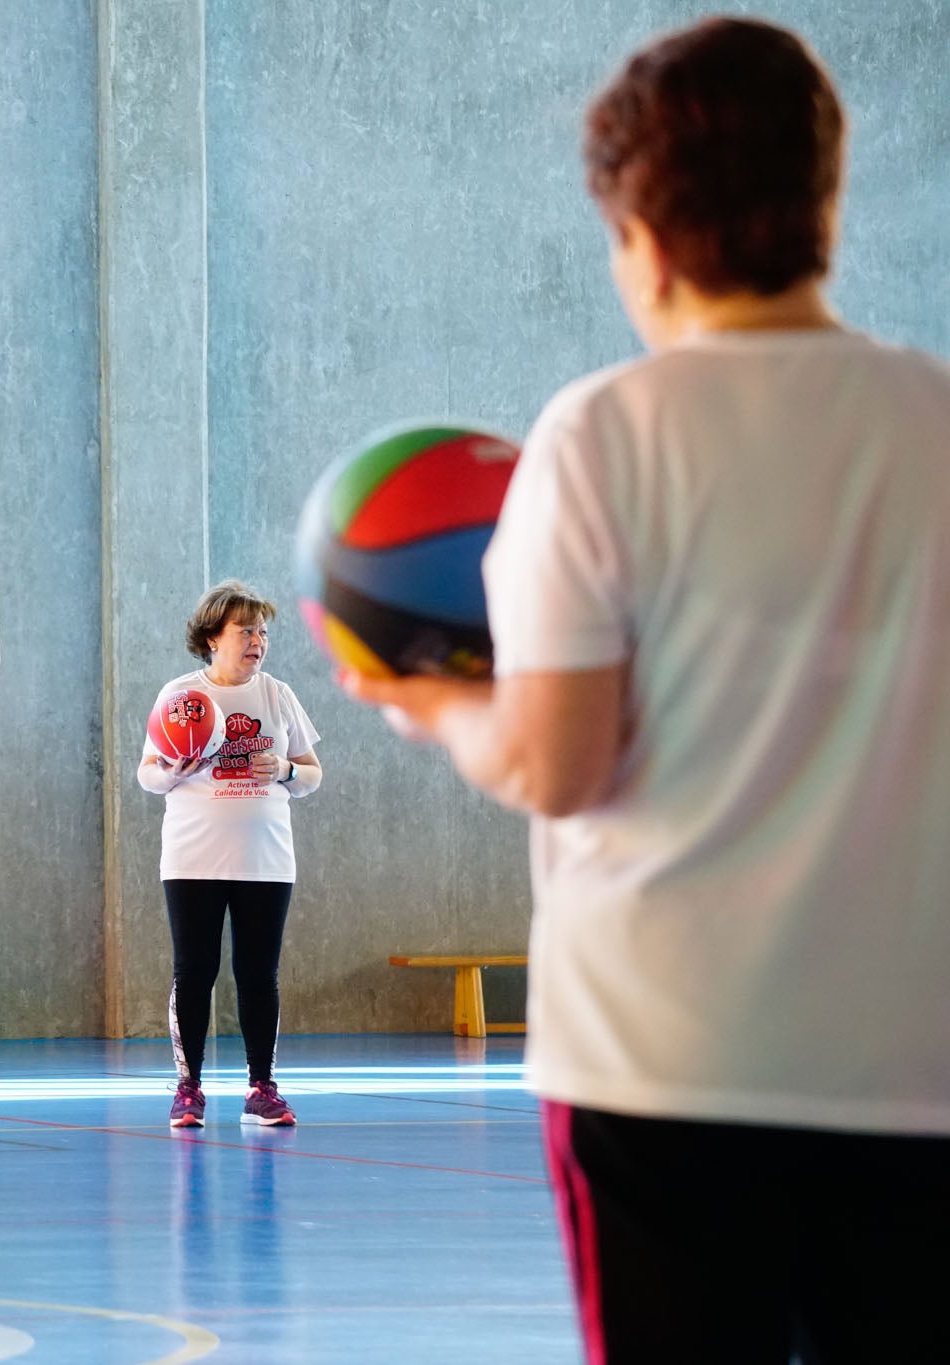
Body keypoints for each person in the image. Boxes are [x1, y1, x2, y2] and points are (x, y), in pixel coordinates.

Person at [341, 17, 950, 1360]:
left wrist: (422, 699)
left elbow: (560, 762)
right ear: (827, 199)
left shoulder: (602, 432)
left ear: (644, 240)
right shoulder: (937, 418)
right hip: (914, 1058)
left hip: (664, 1064)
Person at [138, 582, 321, 1129]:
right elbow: (147, 774)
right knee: (194, 971)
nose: (257, 641)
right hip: (193, 859)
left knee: (258, 974)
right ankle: (188, 1087)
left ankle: (261, 1086)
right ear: (213, 636)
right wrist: (172, 770)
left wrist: (285, 771)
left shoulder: (277, 694)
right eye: (246, 631)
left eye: (263, 632)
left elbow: (312, 774)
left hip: (266, 859)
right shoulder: (180, 695)